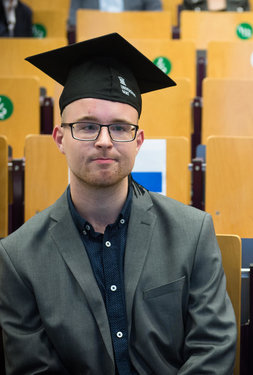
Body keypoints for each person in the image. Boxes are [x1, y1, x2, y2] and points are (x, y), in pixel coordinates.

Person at [0, 33, 236, 374]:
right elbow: (33, 368)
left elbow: (213, 348)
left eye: (121, 128)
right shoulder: (19, 258)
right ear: (59, 138)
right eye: (87, 126)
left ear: (138, 141)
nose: (105, 141)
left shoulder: (192, 233)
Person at [68, 0, 162, 30]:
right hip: (92, 38)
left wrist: (136, 21)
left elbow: (157, 15)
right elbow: (73, 20)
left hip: (133, 37)